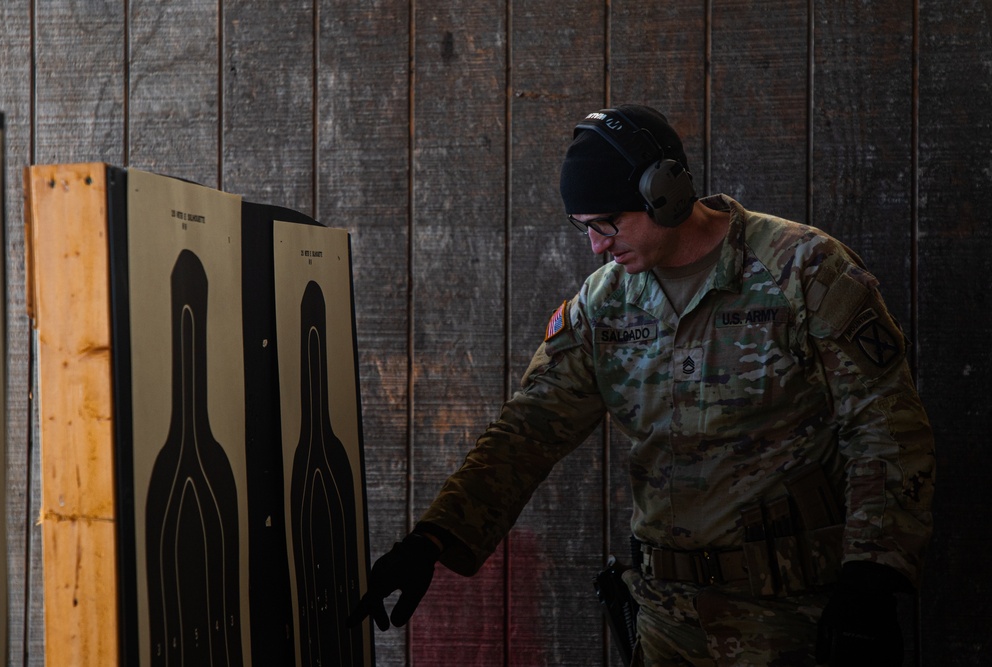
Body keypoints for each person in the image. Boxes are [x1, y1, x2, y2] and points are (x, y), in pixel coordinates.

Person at [350, 104, 935, 666]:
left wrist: (872, 578)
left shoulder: (802, 268)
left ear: (666, 194)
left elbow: (886, 426)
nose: (598, 245)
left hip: (793, 616)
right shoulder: (604, 303)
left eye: (609, 222)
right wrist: (433, 538)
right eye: (584, 228)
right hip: (665, 623)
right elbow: (528, 431)